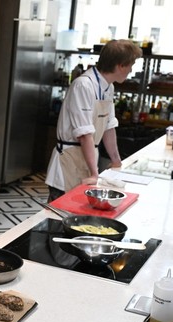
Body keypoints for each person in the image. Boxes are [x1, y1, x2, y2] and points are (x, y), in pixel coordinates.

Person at [45, 39, 142, 202]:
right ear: (120, 65)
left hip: (87, 159)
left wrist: (116, 161)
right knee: (59, 216)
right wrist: (94, 173)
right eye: (131, 65)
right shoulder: (83, 85)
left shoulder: (108, 87)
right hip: (68, 160)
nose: (131, 70)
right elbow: (84, 134)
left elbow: (109, 127)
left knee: (79, 216)